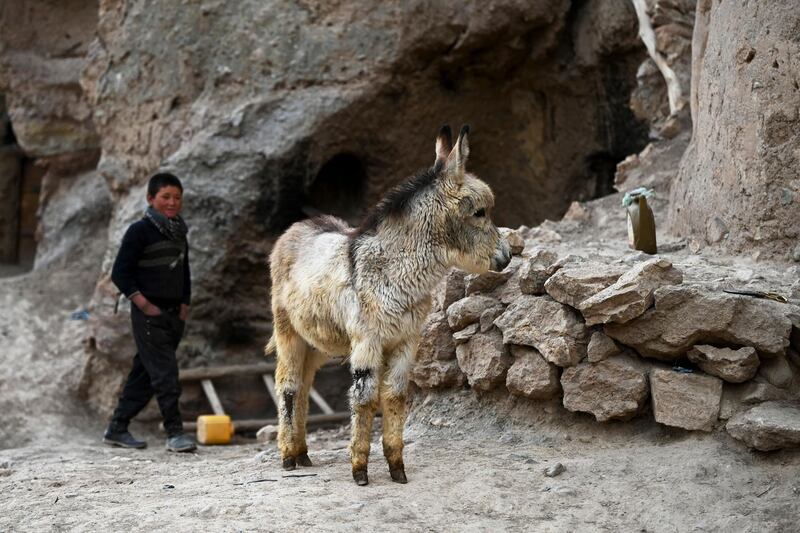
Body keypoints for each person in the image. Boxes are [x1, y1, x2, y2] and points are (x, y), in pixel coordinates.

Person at [103, 172, 196, 452]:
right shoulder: (139, 231)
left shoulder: (179, 231)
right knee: (166, 374)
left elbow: (184, 271)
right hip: (149, 315)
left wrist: (184, 306)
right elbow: (120, 273)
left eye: (177, 197)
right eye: (165, 197)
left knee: (144, 375)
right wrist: (144, 305)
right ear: (150, 199)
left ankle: (117, 428)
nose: (172, 202)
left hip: (172, 316)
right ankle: (175, 433)